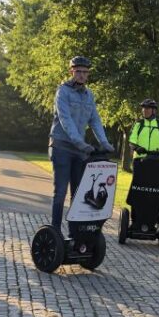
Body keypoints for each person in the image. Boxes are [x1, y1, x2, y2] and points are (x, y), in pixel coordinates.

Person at [49, 56, 114, 236]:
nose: (82, 75)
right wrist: (80, 142)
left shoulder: (89, 95)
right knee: (60, 192)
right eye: (78, 71)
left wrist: (104, 142)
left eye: (85, 72)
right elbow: (65, 120)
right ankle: (55, 232)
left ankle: (74, 233)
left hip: (80, 151)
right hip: (61, 147)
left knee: (78, 195)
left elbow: (95, 120)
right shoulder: (62, 92)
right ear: (72, 72)